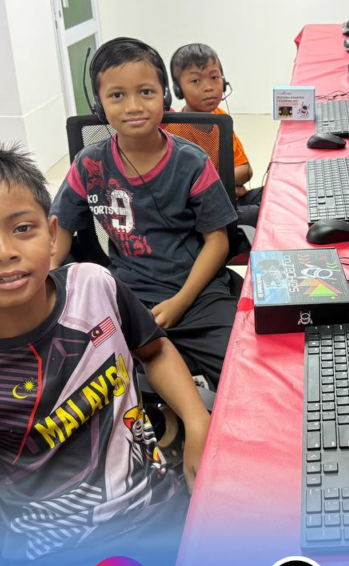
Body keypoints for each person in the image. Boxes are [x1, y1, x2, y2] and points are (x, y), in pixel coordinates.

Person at [0, 143, 210, 566]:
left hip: (167, 511)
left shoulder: (95, 286)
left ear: (52, 236)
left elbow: (154, 352)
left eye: (22, 228)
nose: (3, 251)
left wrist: (197, 421)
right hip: (63, 565)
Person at [51, 37, 238, 388]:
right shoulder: (88, 164)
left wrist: (181, 301)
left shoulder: (192, 162)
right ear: (99, 104)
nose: (133, 106)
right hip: (124, 294)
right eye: (117, 95)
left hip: (196, 292)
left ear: (164, 97)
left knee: (240, 371)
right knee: (80, 377)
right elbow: (58, 235)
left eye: (146, 92)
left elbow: (218, 242)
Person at [170, 42, 262, 228]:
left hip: (232, 199)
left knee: (278, 194)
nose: (208, 87)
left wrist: (219, 184)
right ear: (178, 89)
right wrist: (228, 184)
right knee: (264, 215)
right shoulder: (175, 132)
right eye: (196, 81)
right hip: (206, 216)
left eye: (214, 77)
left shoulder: (221, 118)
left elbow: (246, 171)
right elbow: (188, 193)